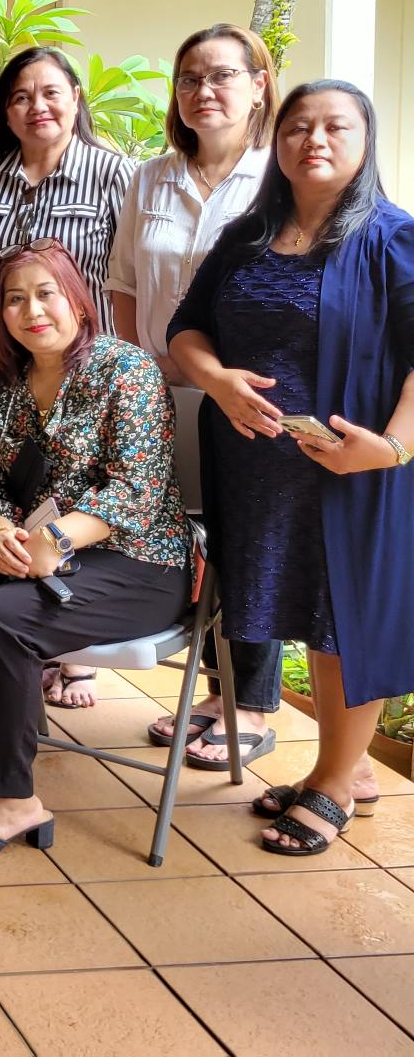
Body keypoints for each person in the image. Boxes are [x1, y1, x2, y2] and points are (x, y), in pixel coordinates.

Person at [170, 81, 414, 856]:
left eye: (335, 126)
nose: (314, 139)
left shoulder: (392, 239)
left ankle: (338, 783)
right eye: (298, 126)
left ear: (365, 141)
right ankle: (327, 773)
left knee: (346, 621)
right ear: (275, 142)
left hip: (351, 473)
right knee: (304, 614)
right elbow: (186, 332)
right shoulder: (247, 236)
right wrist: (216, 379)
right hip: (255, 472)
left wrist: (394, 447)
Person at [0, 240, 191, 859]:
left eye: (46, 292)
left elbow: (136, 490)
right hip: (39, 553)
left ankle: (14, 800)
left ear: (77, 298)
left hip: (139, 564)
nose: (31, 310)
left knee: (0, 616)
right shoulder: (2, 389)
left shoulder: (126, 370)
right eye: (14, 299)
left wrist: (54, 540)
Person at [107, 25, 282, 770]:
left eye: (220, 77)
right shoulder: (150, 178)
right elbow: (120, 285)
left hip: (241, 399)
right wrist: (140, 373)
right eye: (188, 79)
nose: (203, 92)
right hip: (156, 398)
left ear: (258, 85)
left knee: (244, 541)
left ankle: (252, 702)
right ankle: (212, 689)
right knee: (178, 535)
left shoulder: (282, 179)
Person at [0, 48, 132, 708]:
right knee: (17, 488)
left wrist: (120, 369)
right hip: (8, 375)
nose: (37, 107)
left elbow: (126, 280)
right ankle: (28, 633)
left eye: (50, 92)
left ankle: (72, 647)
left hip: (89, 374)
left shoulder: (114, 175)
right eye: (21, 96)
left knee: (82, 496)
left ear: (76, 98)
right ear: (5, 110)